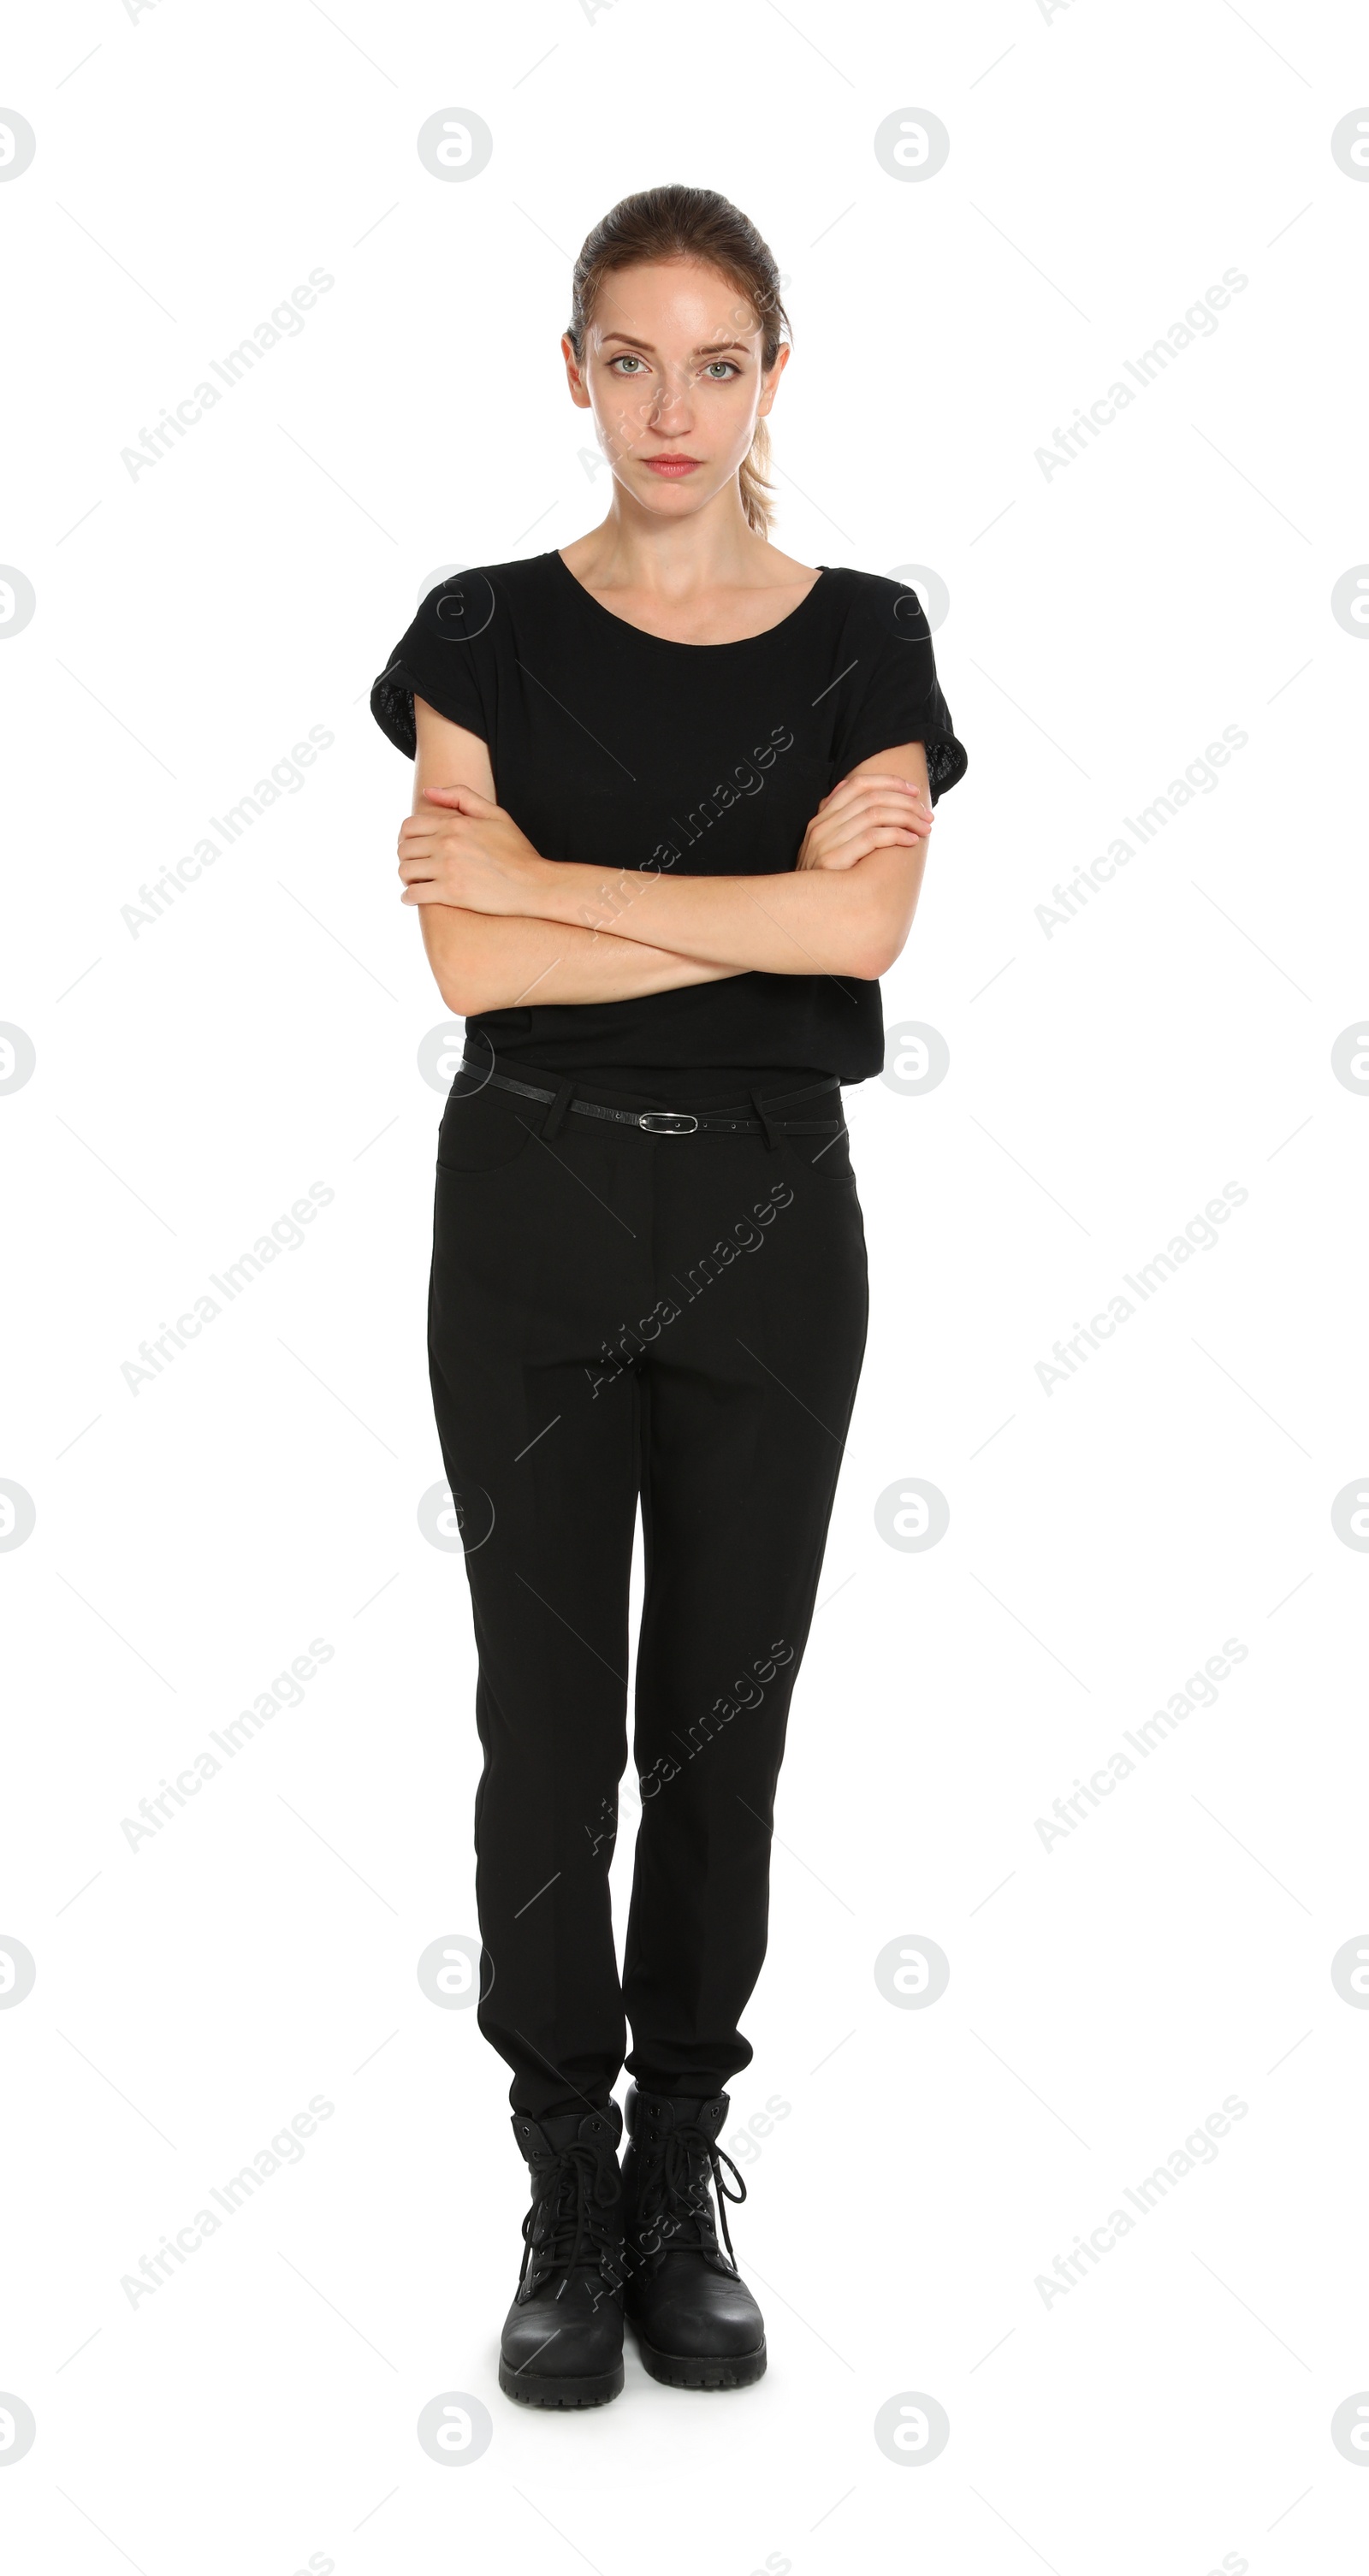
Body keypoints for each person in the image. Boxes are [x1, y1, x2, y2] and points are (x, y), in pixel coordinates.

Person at [370, 182, 967, 2408]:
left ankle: (677, 2176)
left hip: (768, 1224)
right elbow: (466, 956)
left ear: (774, 379)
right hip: (524, 1211)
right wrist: (736, 901)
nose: (673, 405)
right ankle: (556, 2184)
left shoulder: (870, 638)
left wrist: (564, 880)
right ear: (572, 371)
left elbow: (871, 942)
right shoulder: (482, 632)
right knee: (543, 1734)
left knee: (718, 1729)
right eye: (632, 355)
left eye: (719, 361)